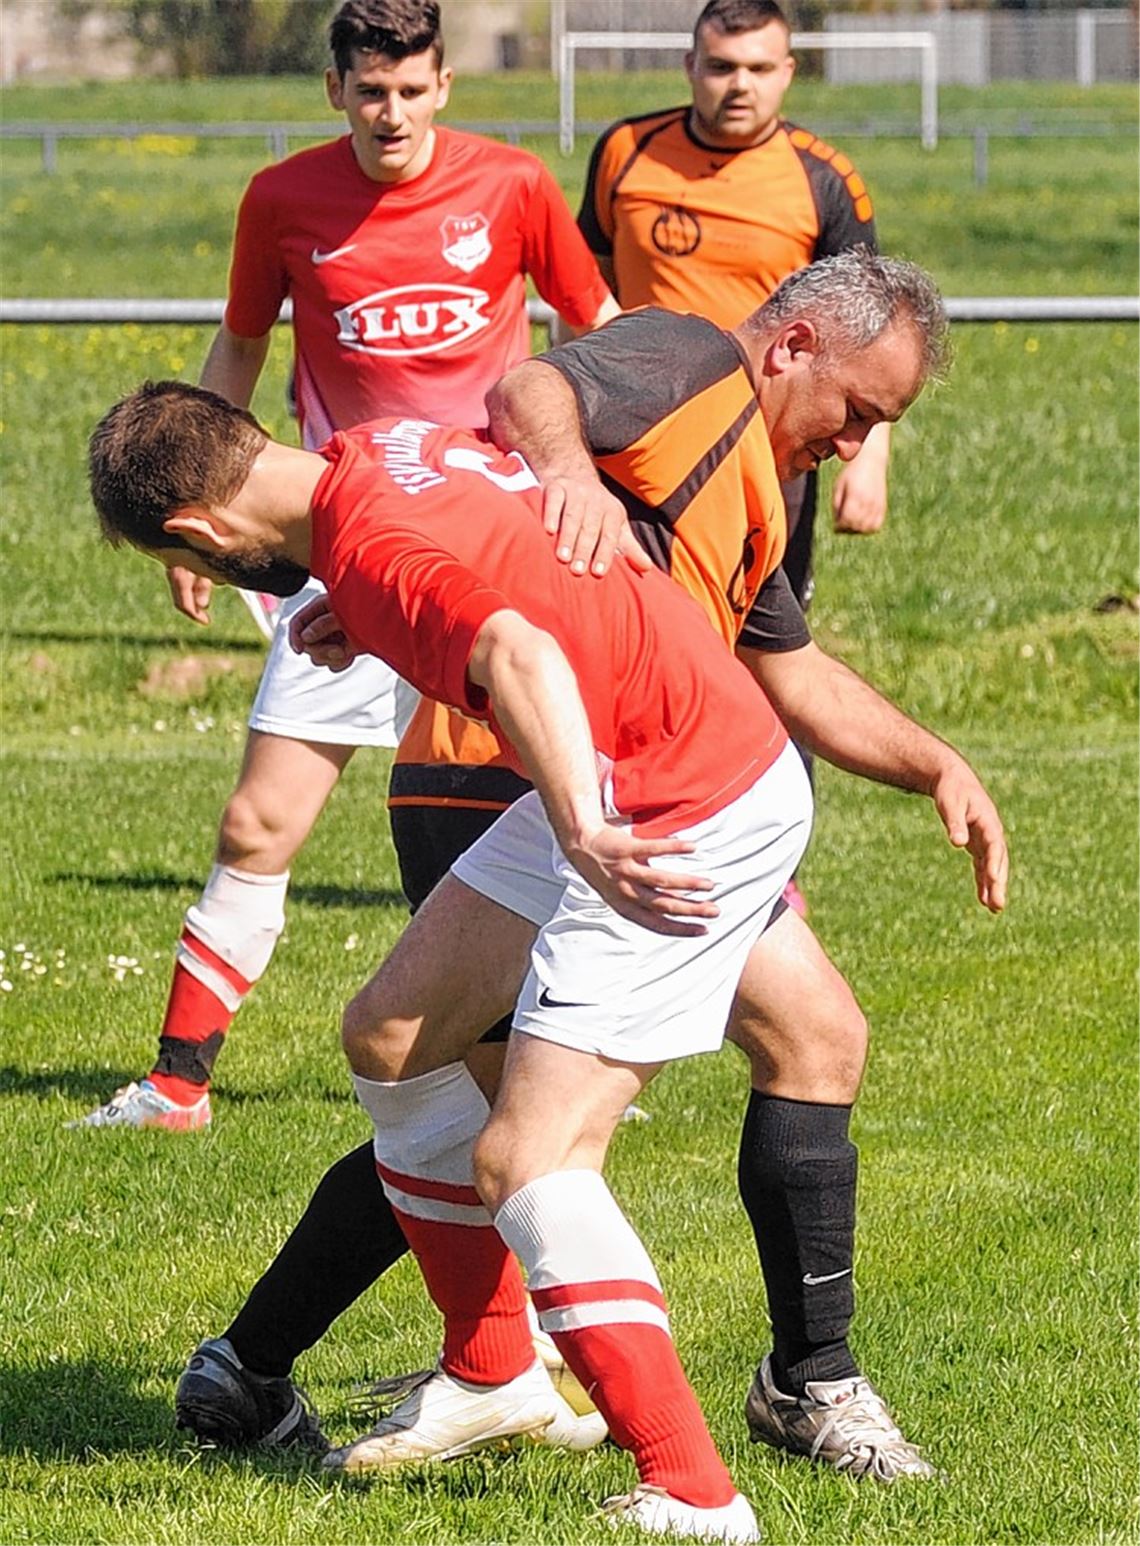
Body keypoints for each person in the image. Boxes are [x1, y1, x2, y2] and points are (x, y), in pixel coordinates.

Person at [169, 256, 1006, 1482]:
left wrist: (935, 763)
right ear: (795, 349)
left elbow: (793, 673)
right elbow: (530, 394)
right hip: (515, 781)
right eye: (859, 412)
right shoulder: (690, 361)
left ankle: (798, 1379)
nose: (854, 443)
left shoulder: (758, 499)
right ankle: (564, 1418)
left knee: (815, 1037)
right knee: (524, 1138)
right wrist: (563, 481)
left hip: (668, 783)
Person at [72, 0, 617, 1133]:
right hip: (343, 561)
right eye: (371, 91)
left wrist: (588, 476)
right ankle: (177, 1085)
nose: (393, 113)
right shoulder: (281, 200)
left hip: (493, 558)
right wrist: (194, 514)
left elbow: (594, 326)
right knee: (259, 822)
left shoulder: (513, 185)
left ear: (445, 85)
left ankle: (569, 1056)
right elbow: (240, 345)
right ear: (334, 90)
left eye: (414, 89)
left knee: (538, 809)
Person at [579, 0, 890, 913]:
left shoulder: (824, 179)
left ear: (790, 71)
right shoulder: (622, 153)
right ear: (690, 64)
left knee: (759, 658)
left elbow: (872, 333)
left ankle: (765, 860)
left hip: (768, 467)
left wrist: (869, 462)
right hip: (631, 458)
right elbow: (581, 290)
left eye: (759, 68)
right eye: (721, 66)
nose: (738, 85)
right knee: (620, 650)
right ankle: (605, 831)